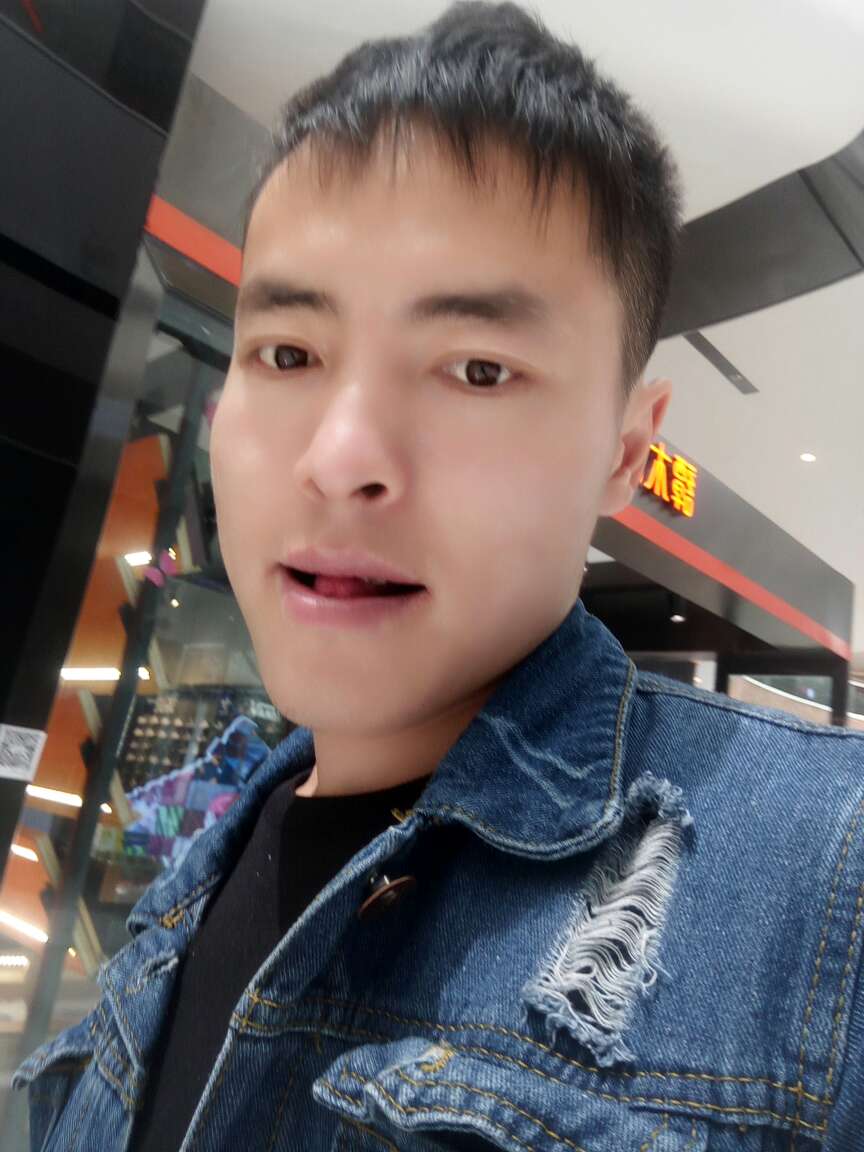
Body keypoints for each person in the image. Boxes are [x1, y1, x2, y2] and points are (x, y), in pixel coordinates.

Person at [14, 3, 864, 1149]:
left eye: (476, 369)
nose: (341, 458)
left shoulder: (825, 889)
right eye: (289, 353)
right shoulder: (185, 891)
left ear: (626, 449)